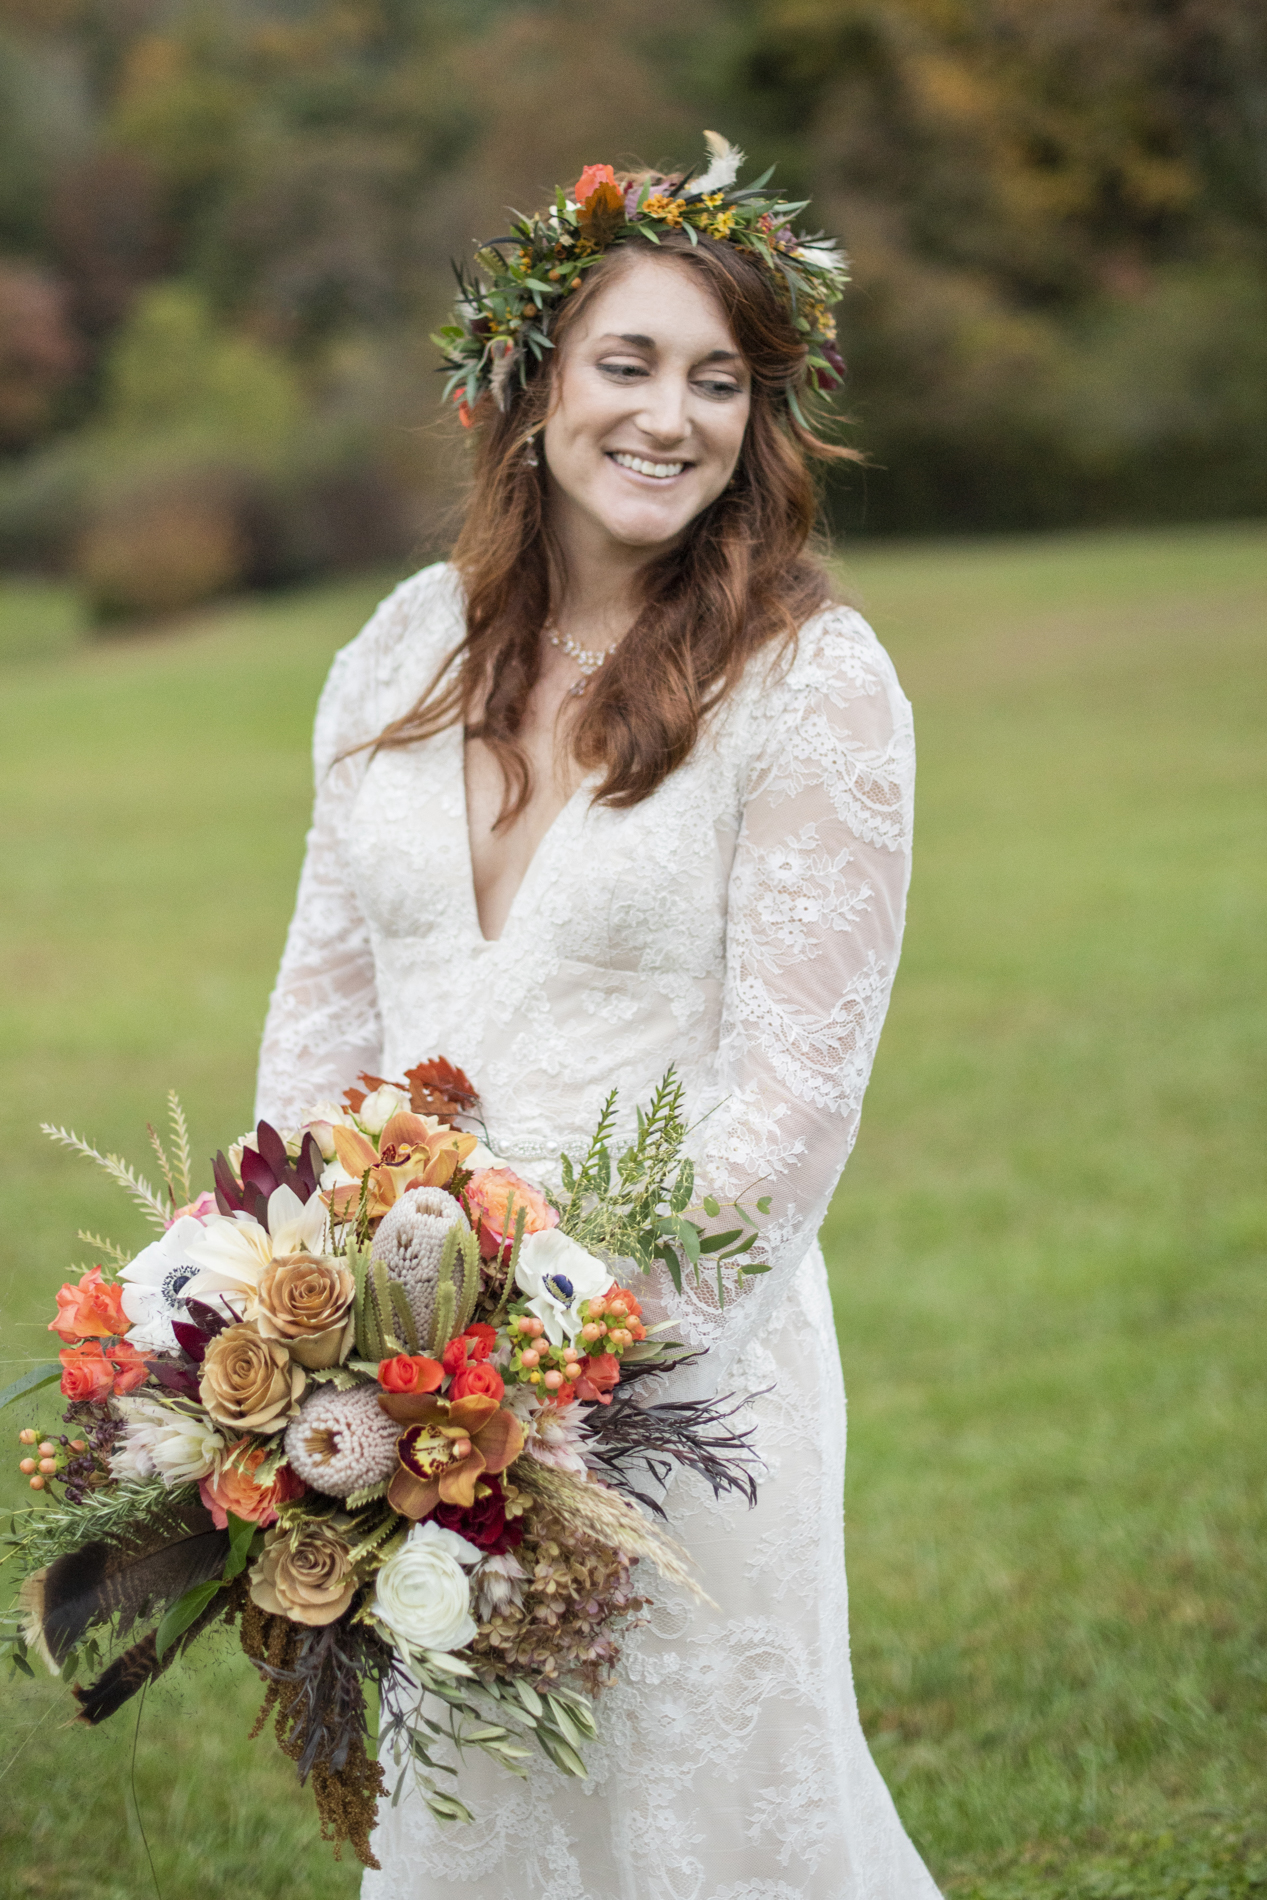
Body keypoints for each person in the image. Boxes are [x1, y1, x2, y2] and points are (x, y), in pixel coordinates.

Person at [255, 136, 941, 1900]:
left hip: (678, 1387)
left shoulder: (809, 680)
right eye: (627, 364)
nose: (672, 417)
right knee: (481, 1822)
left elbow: (790, 1117)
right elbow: (316, 1032)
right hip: (408, 1389)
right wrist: (322, 1338)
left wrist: (552, 1373)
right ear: (528, 386)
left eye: (720, 380)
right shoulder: (396, 654)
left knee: (696, 1826)